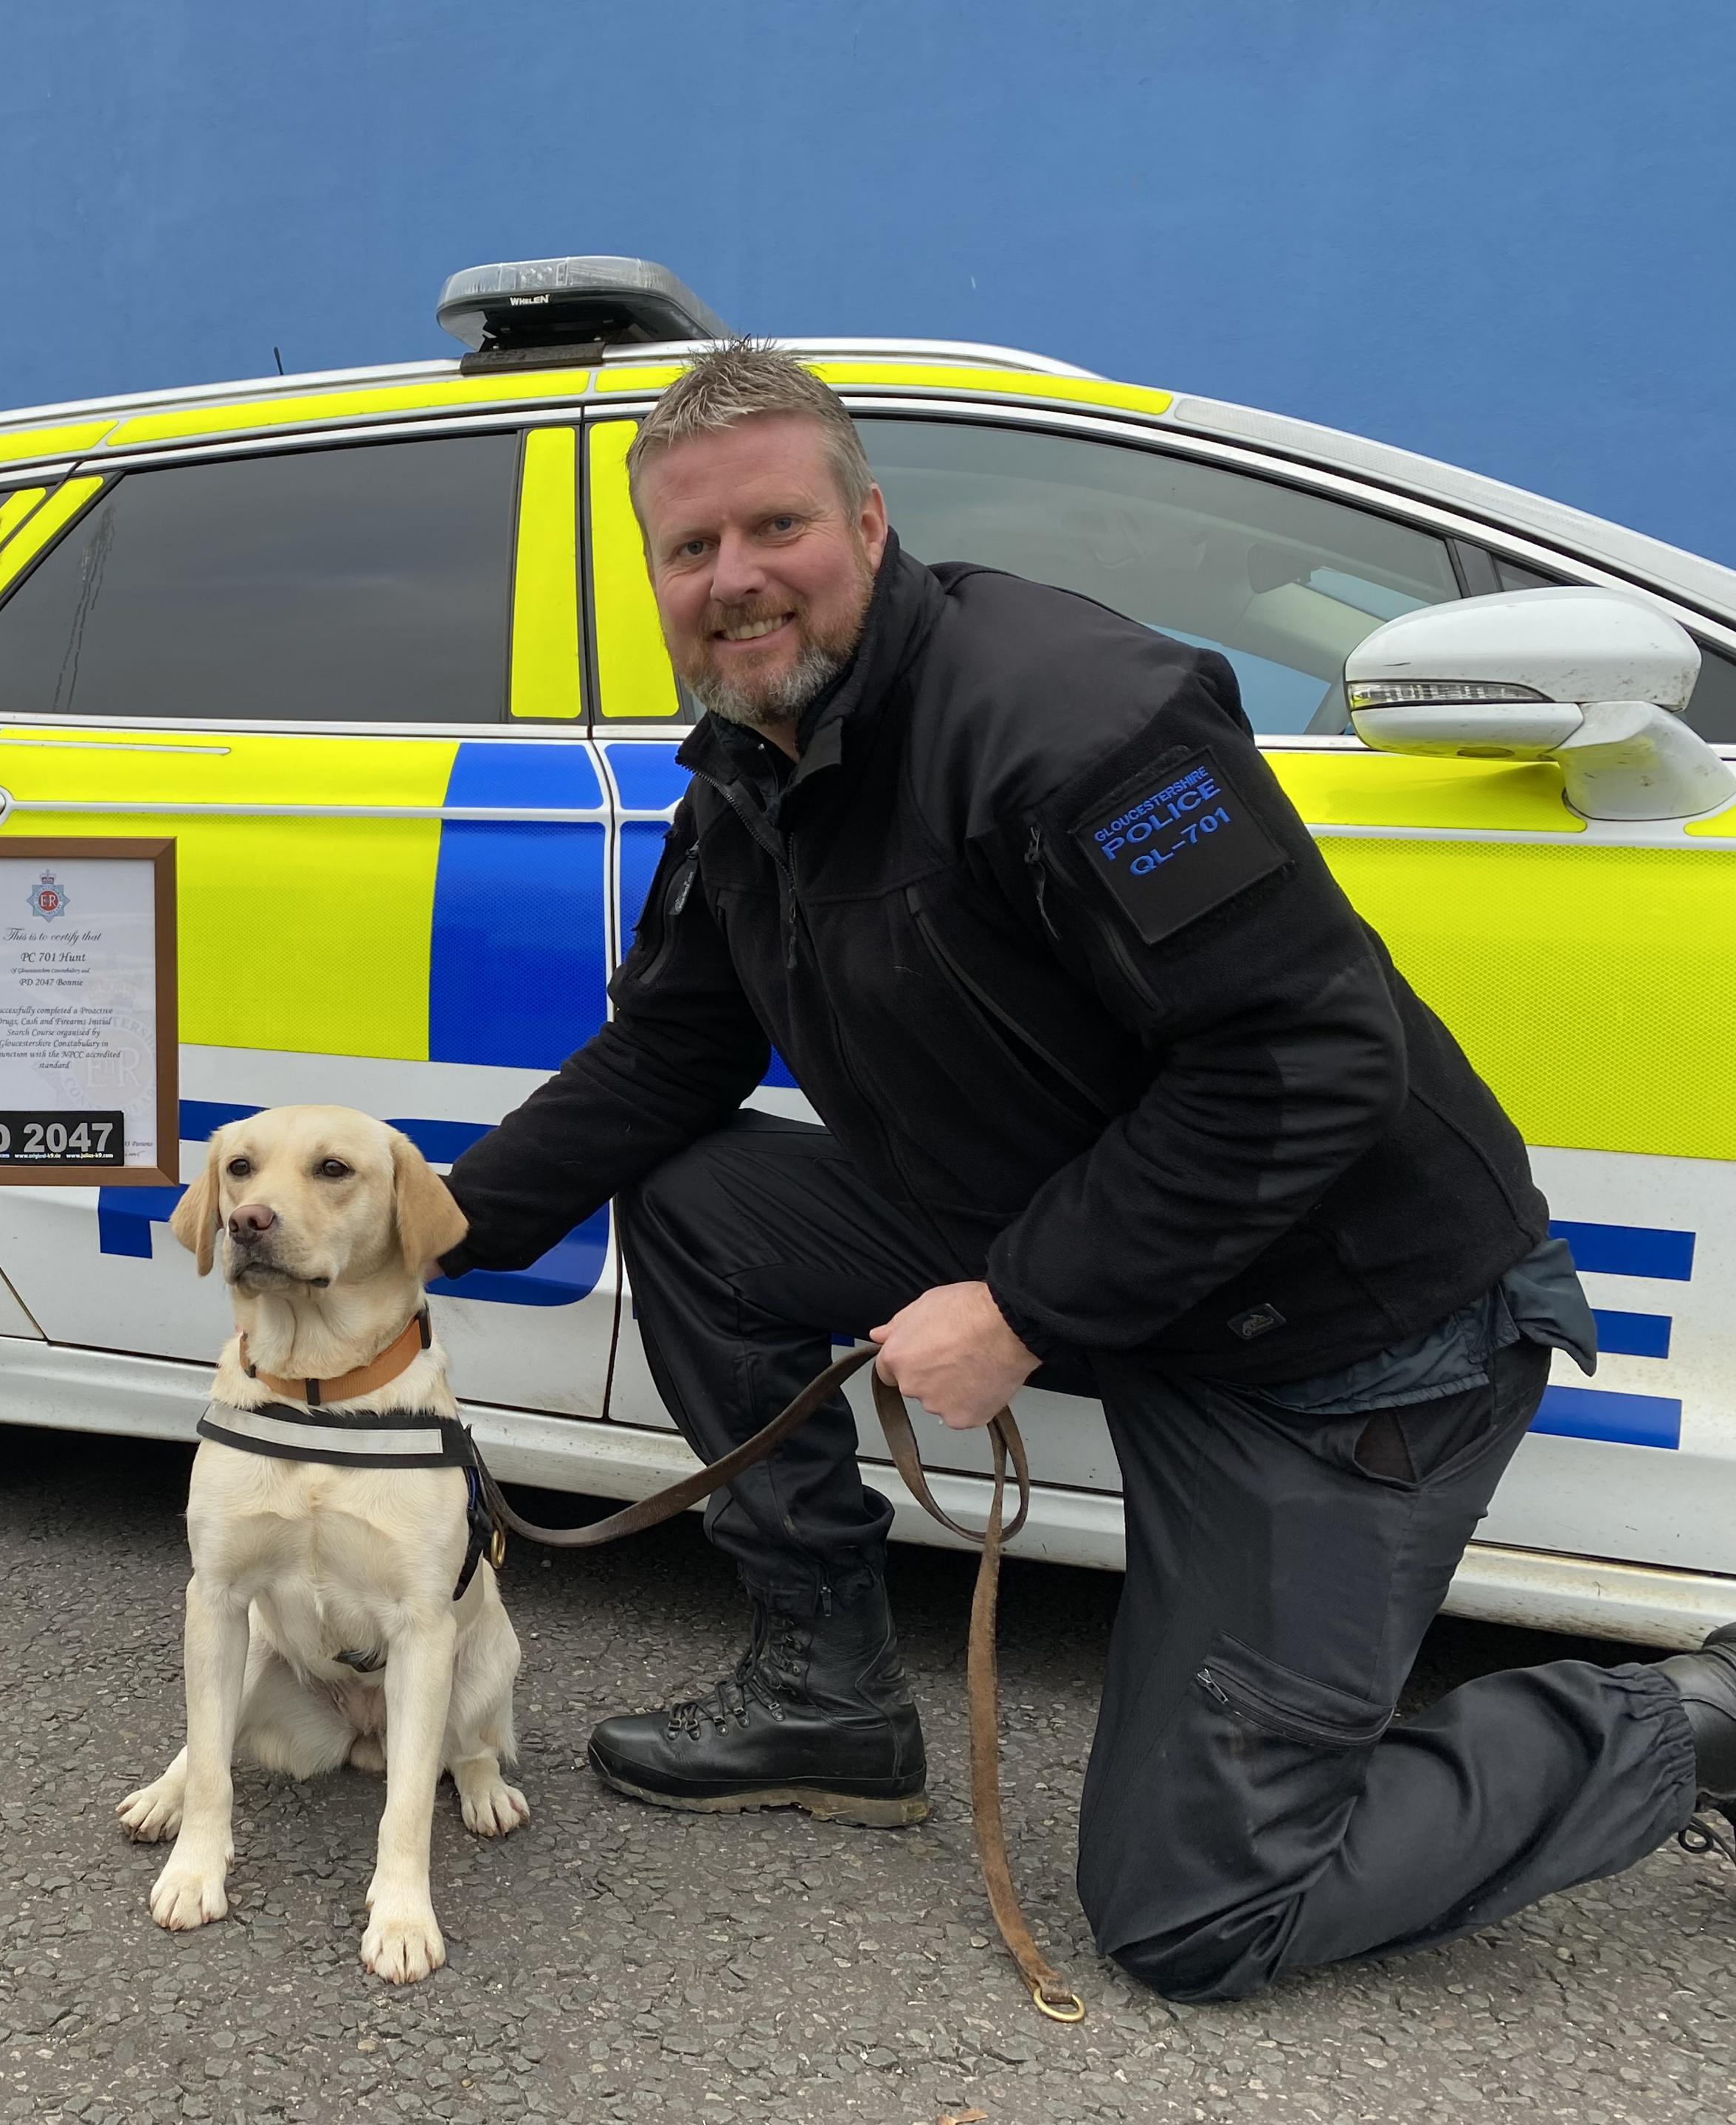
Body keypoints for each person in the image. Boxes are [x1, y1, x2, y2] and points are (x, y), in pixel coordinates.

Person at [439, 345, 1736, 2000]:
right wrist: (419, 1232)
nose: (736, 580)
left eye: (776, 527)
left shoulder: (1075, 725)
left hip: (1338, 1343)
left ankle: (1696, 1722)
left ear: (872, 521)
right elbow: (670, 1058)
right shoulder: (757, 762)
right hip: (1101, 1240)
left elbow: (1306, 1058)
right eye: (691, 553)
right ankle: (827, 1698)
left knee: (1198, 1915)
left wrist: (1025, 1305)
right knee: (702, 1203)